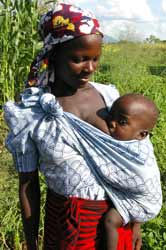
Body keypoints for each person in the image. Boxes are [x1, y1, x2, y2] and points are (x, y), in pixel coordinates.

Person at [3, 3, 161, 250]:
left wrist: (136, 219)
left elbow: (135, 161)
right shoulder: (32, 113)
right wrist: (31, 241)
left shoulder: (109, 98)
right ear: (53, 54)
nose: (90, 69)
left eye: (95, 59)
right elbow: (28, 183)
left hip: (117, 219)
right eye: (79, 59)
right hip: (69, 225)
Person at [103, 93, 160, 250]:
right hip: (138, 198)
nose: (111, 123)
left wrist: (137, 224)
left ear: (142, 135)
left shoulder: (138, 151)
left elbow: (141, 178)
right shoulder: (127, 139)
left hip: (145, 203)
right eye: (110, 116)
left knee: (111, 220)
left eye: (121, 122)